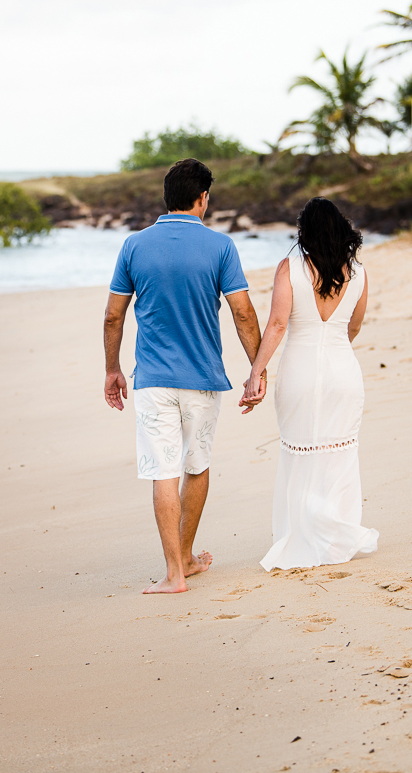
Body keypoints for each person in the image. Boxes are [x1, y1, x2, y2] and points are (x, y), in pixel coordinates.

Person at [103, 158, 264, 594]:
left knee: (163, 472)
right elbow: (242, 311)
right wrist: (258, 368)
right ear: (203, 198)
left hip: (152, 379)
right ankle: (186, 556)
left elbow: (114, 316)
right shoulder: (220, 247)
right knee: (197, 466)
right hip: (203, 378)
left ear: (166, 198)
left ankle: (177, 571)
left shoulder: (135, 245)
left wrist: (112, 369)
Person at [240, 197, 379, 570]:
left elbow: (278, 324)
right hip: (343, 369)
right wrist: (333, 352)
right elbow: (354, 326)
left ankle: (301, 536)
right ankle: (337, 540)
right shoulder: (360, 274)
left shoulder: (291, 268)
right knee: (339, 454)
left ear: (304, 232)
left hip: (299, 370)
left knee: (300, 452)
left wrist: (256, 372)